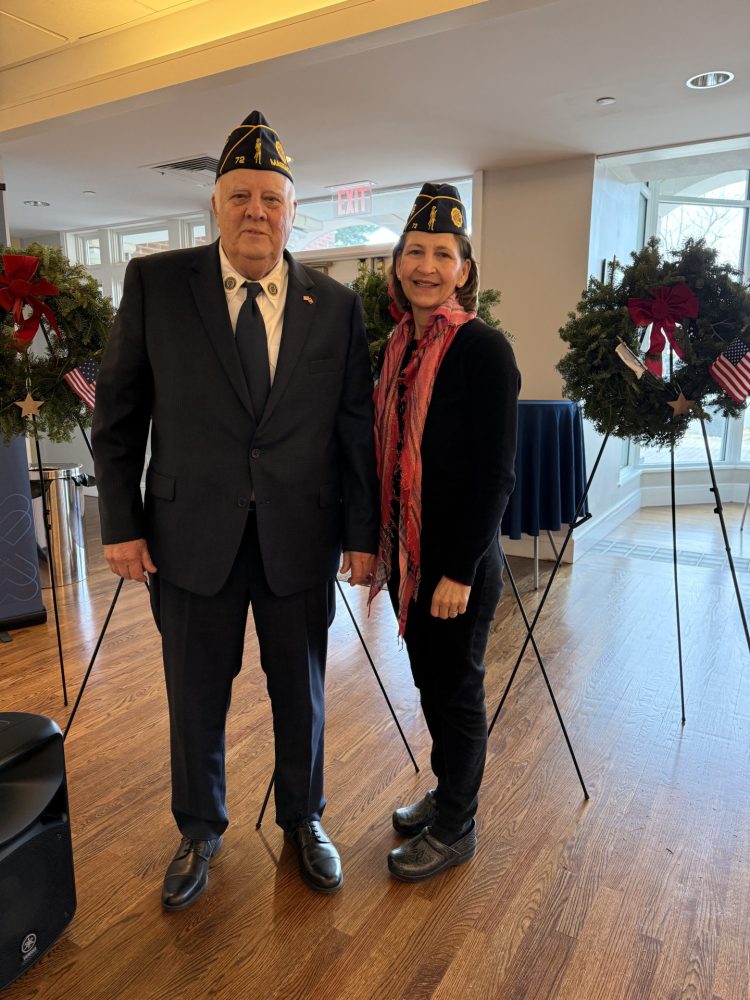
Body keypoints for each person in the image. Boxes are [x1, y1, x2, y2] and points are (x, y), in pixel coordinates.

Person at [92, 110, 378, 909]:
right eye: (241, 195)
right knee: (194, 691)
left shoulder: (336, 304)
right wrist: (120, 521)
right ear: (215, 204)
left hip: (300, 535)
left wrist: (363, 536)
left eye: (272, 198)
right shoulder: (157, 283)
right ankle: (199, 828)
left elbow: (354, 426)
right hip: (190, 537)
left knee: (304, 690)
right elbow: (117, 411)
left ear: (295, 212)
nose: (257, 211)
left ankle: (303, 820)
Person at [368, 182, 519, 882]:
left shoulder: (484, 350)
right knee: (430, 684)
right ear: (399, 263)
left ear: (464, 268)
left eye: (443, 254)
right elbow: (390, 459)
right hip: (409, 554)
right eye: (415, 252)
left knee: (455, 690)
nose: (426, 265)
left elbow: (495, 476)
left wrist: (457, 569)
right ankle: (447, 790)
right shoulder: (396, 346)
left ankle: (458, 824)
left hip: (457, 562)